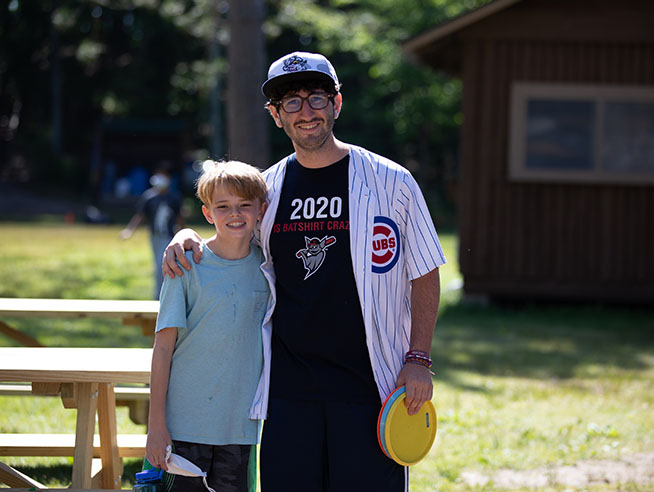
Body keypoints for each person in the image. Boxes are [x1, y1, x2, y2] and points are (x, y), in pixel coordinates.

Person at [162, 51, 446, 491]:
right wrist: (186, 235)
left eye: (315, 97)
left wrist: (419, 358)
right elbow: (230, 236)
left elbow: (425, 271)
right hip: (288, 391)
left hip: (372, 384)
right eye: (290, 102)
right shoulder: (267, 190)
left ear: (337, 103)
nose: (306, 111)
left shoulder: (392, 182)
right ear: (276, 116)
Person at [146, 160, 270, 492]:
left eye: (245, 205)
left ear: (262, 209)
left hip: (240, 429)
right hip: (184, 427)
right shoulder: (185, 265)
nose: (235, 213)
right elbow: (162, 350)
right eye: (223, 206)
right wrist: (156, 424)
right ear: (207, 213)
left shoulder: (269, 268)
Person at [120, 163, 185, 299]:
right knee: (159, 266)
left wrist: (183, 236)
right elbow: (140, 216)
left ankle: (162, 297)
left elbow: (180, 219)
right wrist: (129, 230)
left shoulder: (174, 198)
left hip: (168, 237)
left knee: (164, 266)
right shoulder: (149, 197)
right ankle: (160, 296)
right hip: (155, 237)